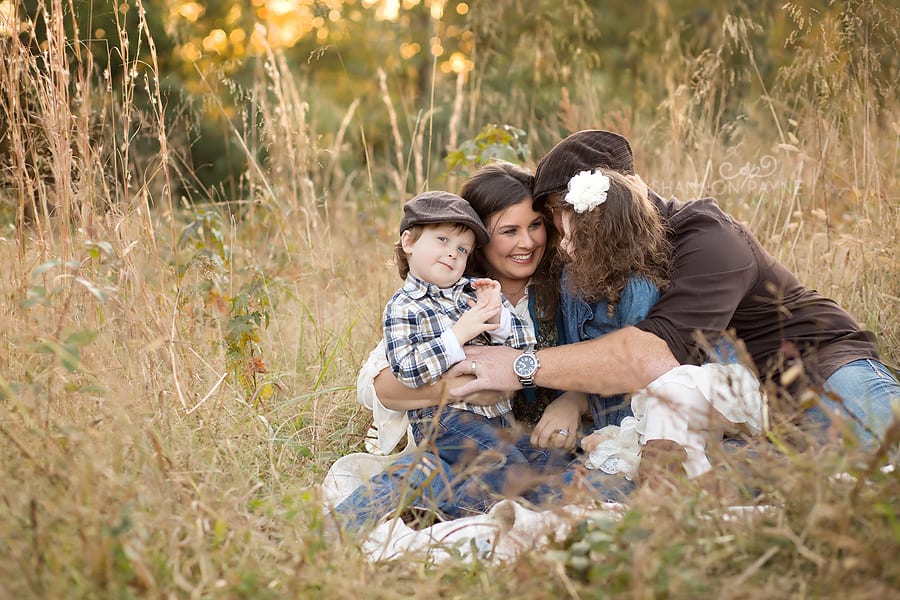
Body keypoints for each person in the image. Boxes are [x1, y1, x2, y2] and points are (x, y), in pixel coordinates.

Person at [451, 129, 899, 461]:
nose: (559, 236)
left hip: (822, 368)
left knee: (882, 454)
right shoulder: (596, 258)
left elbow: (651, 354)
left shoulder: (710, 239)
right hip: (734, 413)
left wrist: (519, 367)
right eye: (554, 218)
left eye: (562, 214)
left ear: (602, 209)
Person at [331, 163, 647, 532]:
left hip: (531, 442)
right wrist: (464, 385)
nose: (527, 242)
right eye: (509, 231)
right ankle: (443, 492)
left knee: (581, 476)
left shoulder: (571, 282)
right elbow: (380, 386)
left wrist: (574, 400)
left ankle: (452, 497)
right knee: (521, 481)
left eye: (535, 226)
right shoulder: (448, 292)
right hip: (466, 435)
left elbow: (612, 356)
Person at [548, 166, 764, 481]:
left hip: (655, 420)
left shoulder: (638, 288)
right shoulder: (573, 278)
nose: (565, 246)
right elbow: (576, 352)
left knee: (578, 488)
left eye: (574, 238)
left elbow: (642, 380)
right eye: (564, 235)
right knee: (557, 480)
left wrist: (614, 435)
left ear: (604, 240)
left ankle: (679, 484)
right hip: (609, 417)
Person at [381, 190, 536, 505]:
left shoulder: (473, 291)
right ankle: (445, 510)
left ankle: (451, 497)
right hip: (444, 418)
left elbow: (527, 350)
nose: (453, 253)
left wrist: (498, 318)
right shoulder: (404, 306)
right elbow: (408, 370)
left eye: (462, 249)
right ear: (409, 242)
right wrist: (458, 334)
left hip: (498, 417)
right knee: (509, 467)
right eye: (442, 240)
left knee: (545, 462)